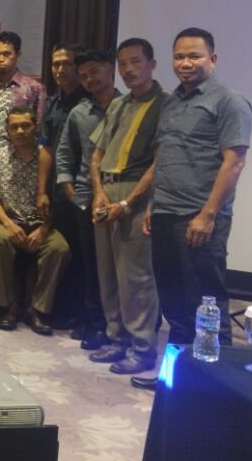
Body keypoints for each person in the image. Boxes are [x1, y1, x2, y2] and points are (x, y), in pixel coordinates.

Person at [140, 27, 252, 389]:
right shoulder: (171, 102)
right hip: (165, 213)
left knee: (207, 306)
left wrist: (207, 214)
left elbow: (234, 162)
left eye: (194, 56)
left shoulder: (229, 102)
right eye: (179, 57)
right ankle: (174, 382)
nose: (185, 63)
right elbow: (165, 156)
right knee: (174, 305)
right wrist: (153, 204)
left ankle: (218, 389)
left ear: (212, 59)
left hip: (199, 218)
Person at [88, 38, 165, 376]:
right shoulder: (119, 105)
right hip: (107, 191)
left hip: (136, 192)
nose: (129, 69)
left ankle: (142, 348)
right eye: (123, 63)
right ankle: (116, 338)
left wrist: (128, 202)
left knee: (135, 276)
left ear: (152, 64)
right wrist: (99, 193)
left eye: (136, 61)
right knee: (108, 274)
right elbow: (97, 155)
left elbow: (160, 163)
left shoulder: (165, 105)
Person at [54, 49, 120, 347]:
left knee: (117, 266)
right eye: (83, 76)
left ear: (109, 69)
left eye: (94, 71)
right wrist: (68, 187)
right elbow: (65, 152)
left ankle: (116, 323)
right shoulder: (79, 113)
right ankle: (93, 320)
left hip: (120, 198)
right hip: (84, 197)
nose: (90, 79)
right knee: (88, 263)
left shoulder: (128, 108)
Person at [0, 106, 69, 335]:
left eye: (26, 126)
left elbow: (57, 199)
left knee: (59, 248)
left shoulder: (48, 158)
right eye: (14, 127)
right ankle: (10, 307)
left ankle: (36, 309)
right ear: (7, 130)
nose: (20, 131)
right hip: (8, 220)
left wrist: (44, 229)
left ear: (35, 127)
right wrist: (9, 224)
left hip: (41, 223)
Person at [41, 42, 88, 329]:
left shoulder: (93, 101)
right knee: (66, 249)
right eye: (55, 64)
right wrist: (41, 191)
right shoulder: (52, 103)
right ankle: (64, 309)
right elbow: (46, 148)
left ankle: (85, 314)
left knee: (84, 254)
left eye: (66, 64)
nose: (60, 69)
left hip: (84, 190)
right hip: (58, 190)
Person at [0, 31, 46, 149]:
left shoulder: (34, 89)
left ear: (18, 55)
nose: (1, 59)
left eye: (6, 54)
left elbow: (40, 130)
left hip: (22, 158)